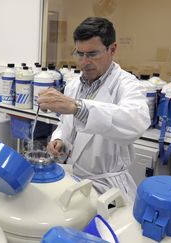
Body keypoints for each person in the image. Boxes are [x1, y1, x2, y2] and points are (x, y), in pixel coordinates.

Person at [37, 17, 150, 202]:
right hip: (72, 178)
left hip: (107, 189)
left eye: (92, 54)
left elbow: (135, 123)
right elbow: (65, 123)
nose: (84, 62)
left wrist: (77, 107)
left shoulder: (127, 84)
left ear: (112, 49)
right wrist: (59, 139)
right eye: (79, 54)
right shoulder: (74, 85)